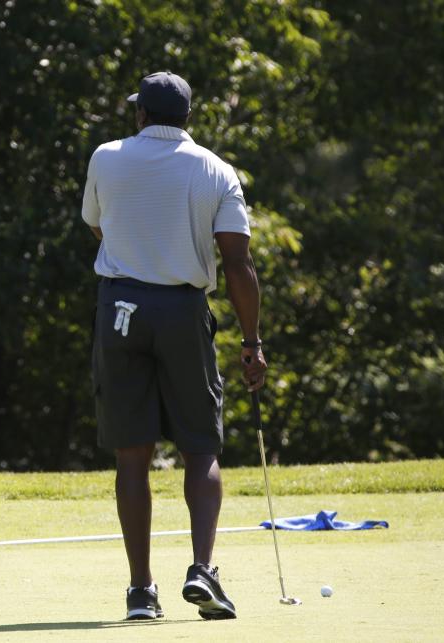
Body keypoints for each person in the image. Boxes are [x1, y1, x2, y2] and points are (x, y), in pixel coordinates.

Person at [81, 71, 267, 621]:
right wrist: (252, 341)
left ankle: (141, 591)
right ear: (187, 117)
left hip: (120, 310)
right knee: (200, 447)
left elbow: (99, 226)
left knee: (132, 453)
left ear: (141, 114)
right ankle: (202, 571)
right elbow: (237, 260)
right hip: (183, 311)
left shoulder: (106, 157)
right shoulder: (214, 168)